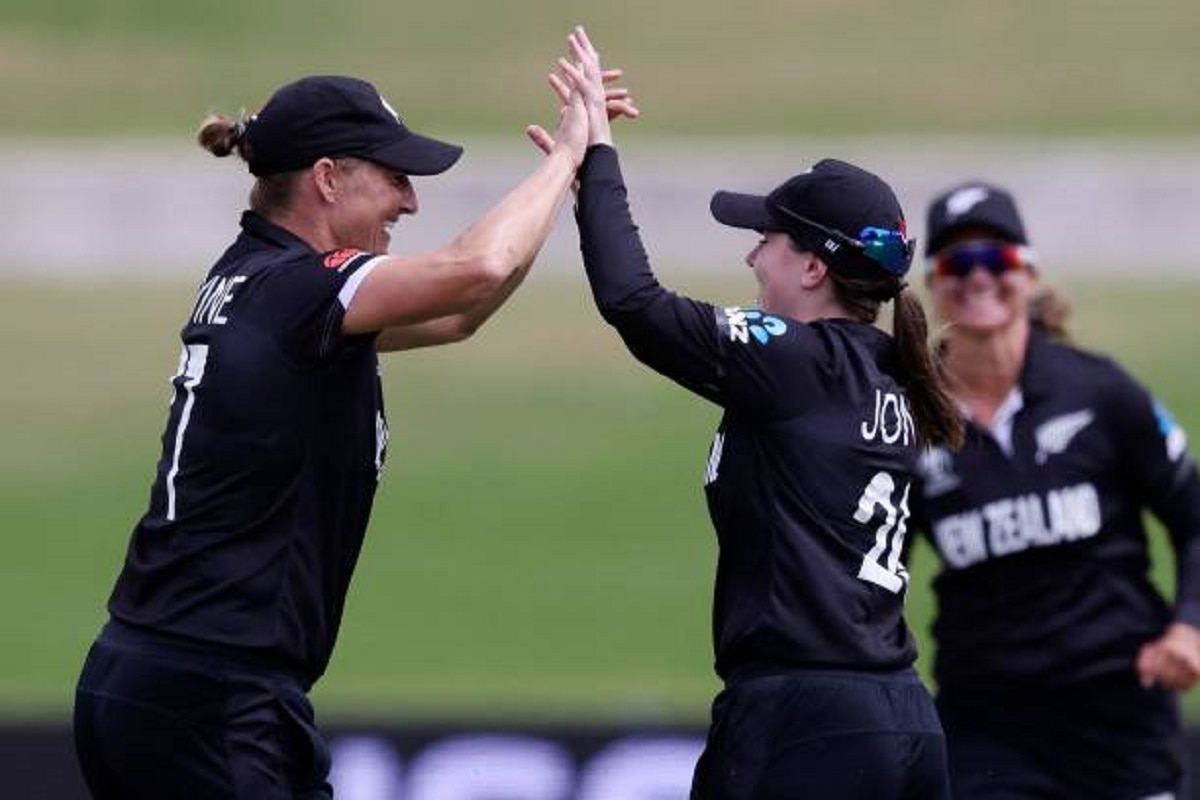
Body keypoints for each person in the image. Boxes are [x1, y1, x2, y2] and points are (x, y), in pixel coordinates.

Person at [72, 73, 594, 799]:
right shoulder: (299, 290)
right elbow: (476, 268)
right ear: (326, 178)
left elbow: (459, 314)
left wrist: (562, 192)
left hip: (160, 677)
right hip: (214, 694)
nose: (410, 200)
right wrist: (566, 158)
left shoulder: (259, 281)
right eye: (392, 179)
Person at [530, 27, 963, 799]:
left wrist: (594, 160)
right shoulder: (890, 373)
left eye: (764, 237)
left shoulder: (798, 363)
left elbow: (635, 304)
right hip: (901, 720)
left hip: (806, 721)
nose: (750, 256)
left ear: (811, 264)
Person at [912, 180, 1200, 799]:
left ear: (1029, 271)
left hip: (1119, 715)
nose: (978, 277)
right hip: (988, 726)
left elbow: (1193, 517)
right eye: (958, 263)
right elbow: (874, 568)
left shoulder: (1100, 392)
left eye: (998, 259)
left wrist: (1189, 627)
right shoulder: (909, 420)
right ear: (934, 283)